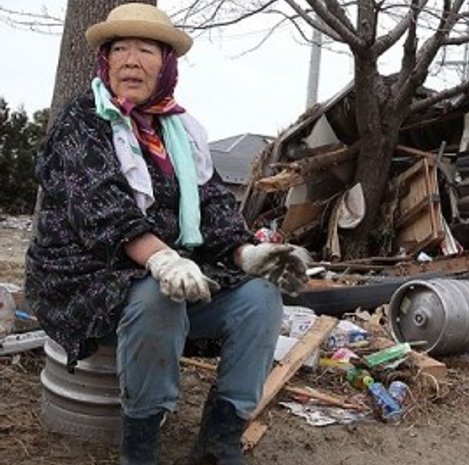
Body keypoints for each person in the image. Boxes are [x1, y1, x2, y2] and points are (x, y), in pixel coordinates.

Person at [25, 4, 308, 464]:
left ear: (166, 64)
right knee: (160, 297)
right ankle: (141, 450)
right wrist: (163, 259)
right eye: (120, 49)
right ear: (105, 61)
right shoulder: (81, 123)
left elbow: (212, 203)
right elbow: (101, 208)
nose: (131, 61)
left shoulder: (180, 130)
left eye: (145, 50)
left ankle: (219, 442)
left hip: (166, 274)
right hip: (86, 278)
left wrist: (248, 254)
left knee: (260, 298)